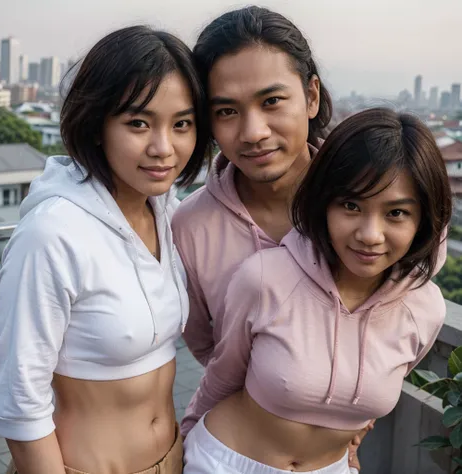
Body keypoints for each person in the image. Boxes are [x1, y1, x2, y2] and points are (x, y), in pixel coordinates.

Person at [181, 107, 452, 474]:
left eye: (396, 213)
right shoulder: (264, 278)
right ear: (324, 204)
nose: (370, 235)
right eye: (351, 205)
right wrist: (182, 442)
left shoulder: (425, 310)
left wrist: (353, 439)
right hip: (224, 462)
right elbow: (222, 376)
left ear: (424, 219)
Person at [0, 25, 210, 474]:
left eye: (182, 124)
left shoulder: (163, 209)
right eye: (138, 123)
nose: (163, 148)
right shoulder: (52, 233)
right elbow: (18, 398)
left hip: (171, 459)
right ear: (95, 126)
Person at [171, 6, 374, 469]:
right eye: (227, 111)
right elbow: (208, 346)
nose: (253, 132)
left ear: (312, 96)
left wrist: (352, 414)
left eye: (272, 101)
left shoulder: (368, 205)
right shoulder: (191, 227)